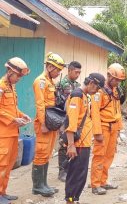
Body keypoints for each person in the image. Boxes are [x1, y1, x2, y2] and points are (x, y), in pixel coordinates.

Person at [65, 73, 105, 204]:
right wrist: (71, 145)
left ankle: (74, 199)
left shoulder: (85, 96)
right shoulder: (77, 96)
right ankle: (70, 200)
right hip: (78, 143)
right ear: (92, 83)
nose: (97, 91)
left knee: (81, 175)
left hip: (84, 142)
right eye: (97, 88)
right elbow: (71, 122)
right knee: (75, 175)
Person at [32, 52, 66, 197]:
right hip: (44, 123)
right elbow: (40, 105)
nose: (58, 73)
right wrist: (43, 124)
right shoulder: (40, 81)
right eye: (57, 69)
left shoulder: (50, 82)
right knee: (41, 152)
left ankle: (44, 184)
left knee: (47, 153)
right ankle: (37, 186)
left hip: (51, 122)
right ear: (50, 66)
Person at [0, 57, 32, 204]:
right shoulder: (1, 86)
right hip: (3, 134)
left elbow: (11, 108)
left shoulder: (11, 87)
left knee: (9, 164)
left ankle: (3, 192)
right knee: (1, 164)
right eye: (18, 76)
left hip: (13, 133)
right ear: (10, 71)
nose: (19, 79)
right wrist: (13, 119)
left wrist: (21, 115)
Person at [90, 63, 126, 195]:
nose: (117, 82)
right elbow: (94, 113)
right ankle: (95, 184)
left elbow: (117, 110)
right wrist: (97, 132)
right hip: (104, 127)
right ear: (109, 76)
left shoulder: (115, 90)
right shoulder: (99, 91)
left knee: (109, 155)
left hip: (114, 127)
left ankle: (103, 181)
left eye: (119, 80)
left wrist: (119, 128)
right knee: (99, 155)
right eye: (115, 79)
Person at [57, 61, 82, 182]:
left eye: (79, 72)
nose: (77, 74)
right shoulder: (61, 83)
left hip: (75, 118)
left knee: (74, 142)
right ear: (70, 70)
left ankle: (70, 169)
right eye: (76, 72)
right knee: (63, 144)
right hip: (63, 118)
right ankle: (62, 171)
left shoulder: (78, 85)